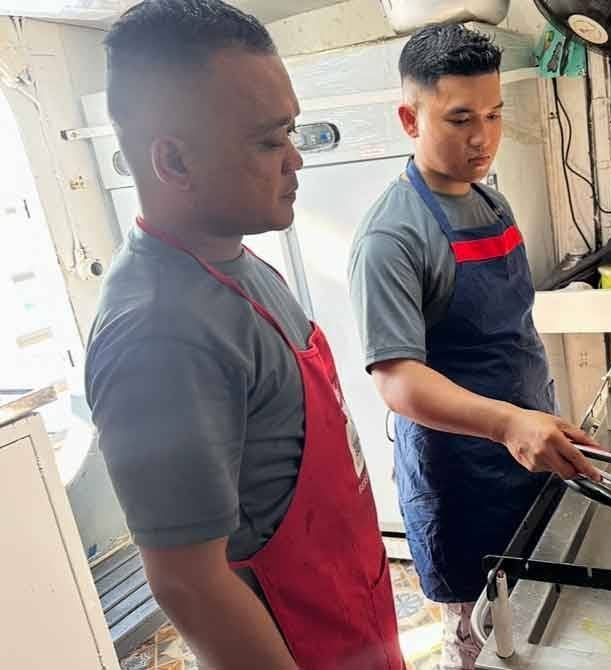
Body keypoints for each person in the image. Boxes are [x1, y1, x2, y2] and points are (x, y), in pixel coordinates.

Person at [85, 2, 404, 668]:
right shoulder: (158, 334)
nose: (295, 160)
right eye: (267, 141)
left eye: (290, 131)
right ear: (173, 160)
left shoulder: (234, 258)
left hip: (353, 621)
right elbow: (189, 585)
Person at [349, 23, 602, 669]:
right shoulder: (392, 236)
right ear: (411, 117)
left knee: (536, 622)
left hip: (525, 450)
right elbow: (398, 379)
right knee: (482, 639)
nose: (482, 137)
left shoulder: (491, 201)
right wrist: (509, 421)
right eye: (460, 118)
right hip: (461, 480)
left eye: (492, 115)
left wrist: (534, 414)